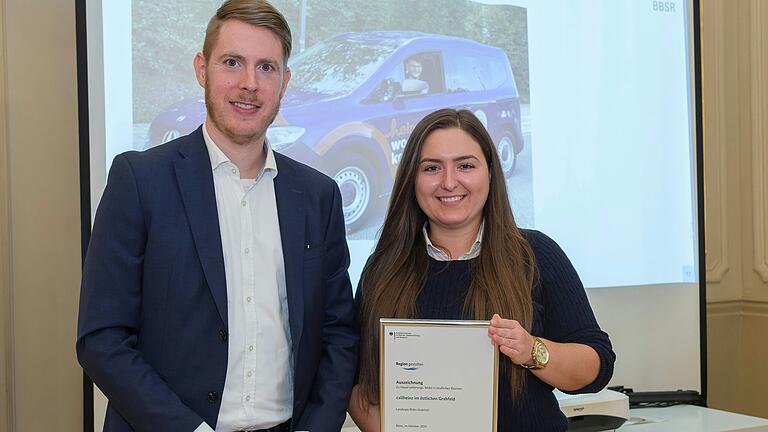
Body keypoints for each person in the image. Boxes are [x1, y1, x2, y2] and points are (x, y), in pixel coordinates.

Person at [76, 1, 357, 431]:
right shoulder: (140, 180)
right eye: (232, 62)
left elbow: (338, 333)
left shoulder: (318, 197)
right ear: (202, 69)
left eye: (266, 67)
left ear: (285, 81)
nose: (250, 84)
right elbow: (103, 338)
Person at [348, 109, 615, 431]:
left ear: (490, 173)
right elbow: (355, 381)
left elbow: (596, 368)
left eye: (465, 165)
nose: (449, 182)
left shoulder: (536, 254)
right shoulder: (384, 267)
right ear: (412, 180)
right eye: (432, 168)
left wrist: (532, 349)